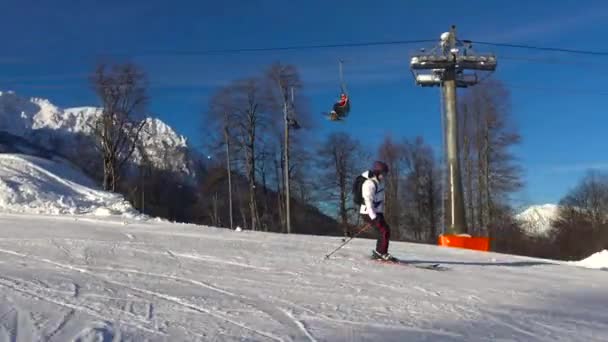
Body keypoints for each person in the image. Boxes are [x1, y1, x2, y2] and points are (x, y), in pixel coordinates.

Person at [359, 161, 394, 261]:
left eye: (385, 174)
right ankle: (381, 253)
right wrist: (374, 217)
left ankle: (380, 252)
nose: (384, 176)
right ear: (378, 173)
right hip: (368, 212)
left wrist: (380, 213)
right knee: (383, 230)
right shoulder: (369, 184)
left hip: (376, 212)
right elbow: (368, 202)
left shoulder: (379, 183)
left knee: (385, 230)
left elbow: (378, 200)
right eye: (383, 174)